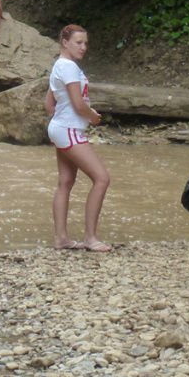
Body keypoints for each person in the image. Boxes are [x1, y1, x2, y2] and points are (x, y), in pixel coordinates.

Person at [44, 24, 112, 252]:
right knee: (102, 179)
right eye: (78, 43)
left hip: (59, 128)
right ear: (65, 42)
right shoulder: (69, 67)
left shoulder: (59, 65)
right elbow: (78, 104)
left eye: (85, 43)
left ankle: (61, 238)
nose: (84, 47)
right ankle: (91, 238)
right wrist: (92, 117)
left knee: (65, 182)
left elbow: (48, 105)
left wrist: (66, 119)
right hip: (69, 130)